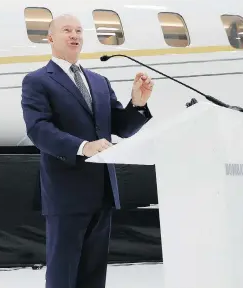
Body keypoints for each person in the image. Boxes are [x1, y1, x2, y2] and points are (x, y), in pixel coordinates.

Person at [20, 14, 154, 288]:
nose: (75, 35)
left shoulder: (99, 81)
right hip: (65, 193)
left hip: (102, 191)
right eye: (67, 30)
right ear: (51, 38)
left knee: (93, 275)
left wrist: (137, 105)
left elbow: (120, 127)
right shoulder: (37, 81)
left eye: (79, 30)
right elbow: (39, 130)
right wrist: (83, 147)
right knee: (64, 273)